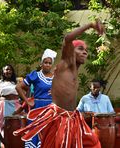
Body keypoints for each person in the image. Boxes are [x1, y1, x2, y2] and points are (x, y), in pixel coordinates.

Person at [14, 20, 104, 148]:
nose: (85, 52)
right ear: (71, 52)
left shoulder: (73, 70)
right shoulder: (65, 64)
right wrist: (90, 25)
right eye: (80, 49)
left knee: (93, 143)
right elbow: (67, 39)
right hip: (59, 118)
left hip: (73, 118)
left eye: (86, 50)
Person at [15, 48, 57, 147]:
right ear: (41, 64)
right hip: (37, 108)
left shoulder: (56, 77)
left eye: (49, 63)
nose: (47, 65)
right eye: (45, 62)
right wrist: (27, 101)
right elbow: (18, 87)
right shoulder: (35, 75)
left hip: (51, 109)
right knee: (35, 131)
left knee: (50, 132)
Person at [0, 64, 21, 136]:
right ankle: (4, 143)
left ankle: (15, 141)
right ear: (3, 72)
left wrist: (24, 100)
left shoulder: (17, 82)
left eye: (10, 69)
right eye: (6, 69)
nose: (8, 71)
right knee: (2, 124)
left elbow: (27, 88)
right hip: (3, 105)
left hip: (16, 104)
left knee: (16, 123)